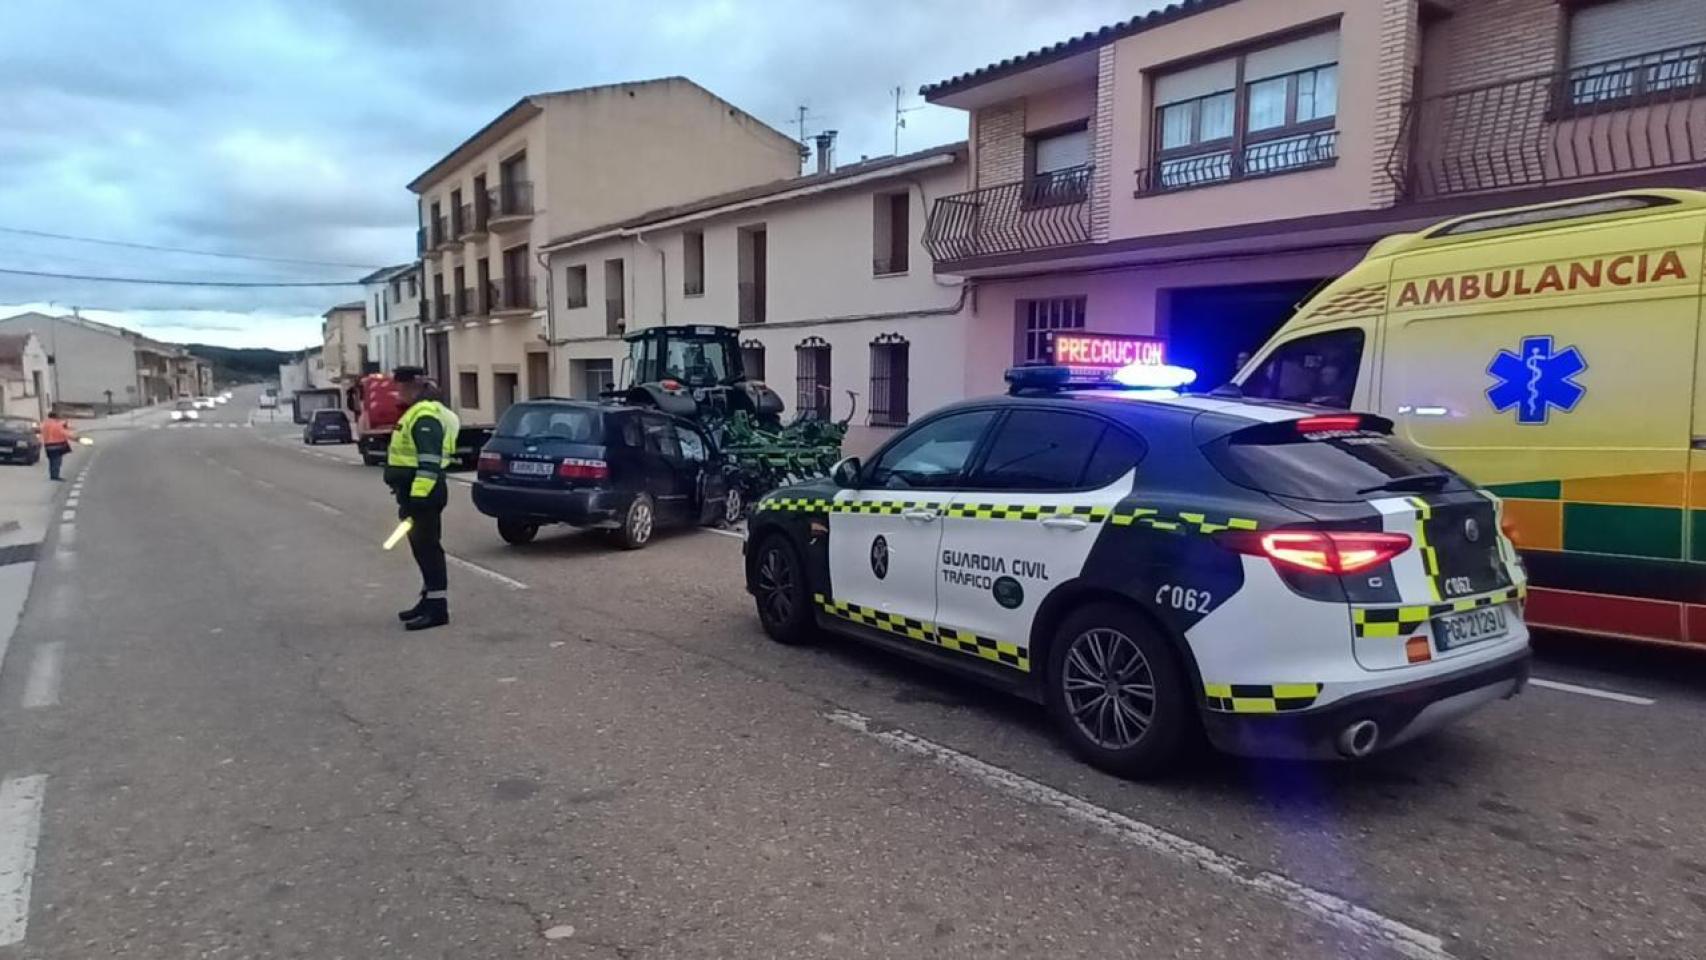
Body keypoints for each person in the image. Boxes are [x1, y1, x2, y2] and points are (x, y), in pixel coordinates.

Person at [384, 368, 460, 631]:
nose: (397, 392)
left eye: (400, 387)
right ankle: (428, 601)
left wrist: (415, 500)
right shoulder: (422, 412)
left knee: (428, 550)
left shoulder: (424, 415)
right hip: (418, 494)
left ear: (412, 387)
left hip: (423, 495)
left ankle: (437, 608)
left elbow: (429, 462)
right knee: (422, 549)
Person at [40, 408, 76, 481]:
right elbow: (64, 433)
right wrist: (75, 438)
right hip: (57, 445)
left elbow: (41, 432)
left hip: (48, 445)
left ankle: (52, 474)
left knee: (52, 461)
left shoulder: (45, 424)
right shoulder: (57, 425)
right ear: (56, 417)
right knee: (57, 461)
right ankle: (55, 476)